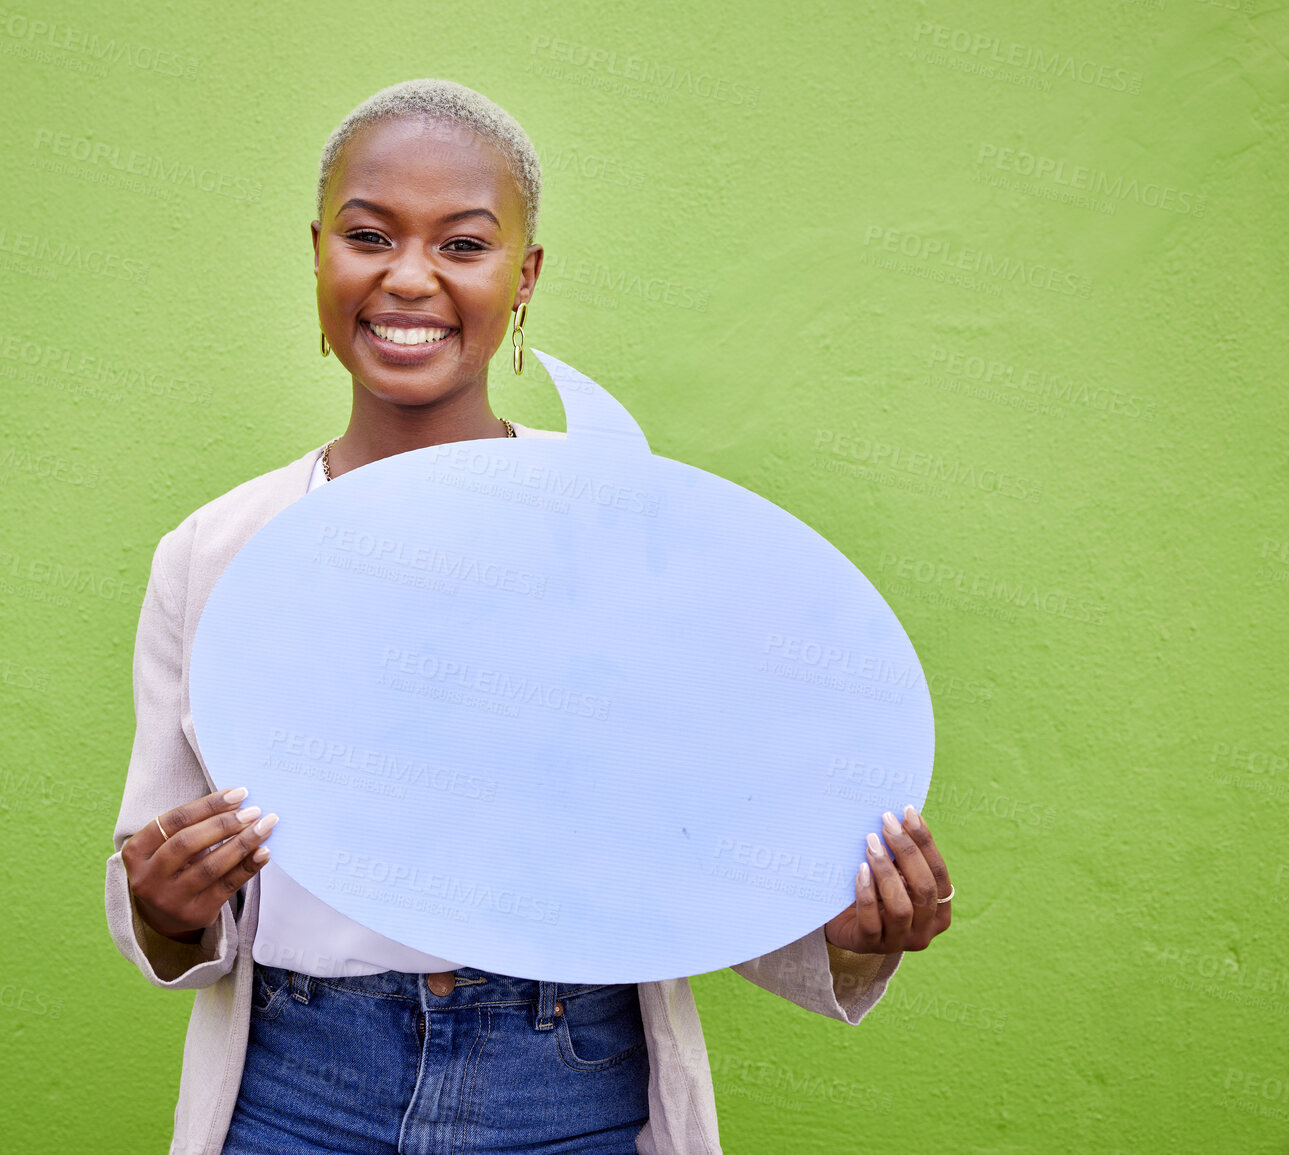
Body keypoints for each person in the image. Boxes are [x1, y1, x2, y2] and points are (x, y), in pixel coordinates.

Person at [105, 78, 955, 1154]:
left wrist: (841, 920)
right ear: (319, 254)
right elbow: (157, 882)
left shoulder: (624, 524)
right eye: (369, 236)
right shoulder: (214, 552)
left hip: (565, 1079)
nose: (409, 276)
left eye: (463, 244)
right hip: (298, 1087)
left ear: (525, 276)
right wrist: (166, 904)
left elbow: (696, 831)